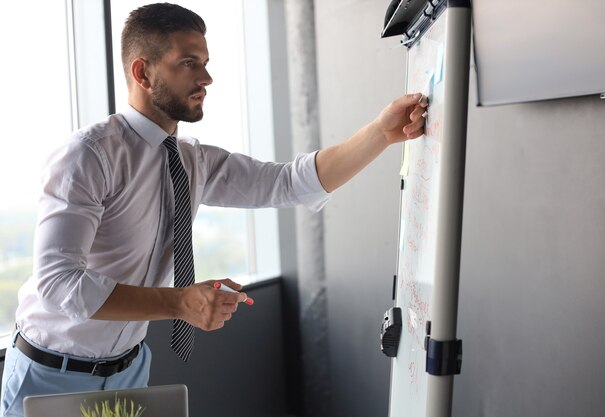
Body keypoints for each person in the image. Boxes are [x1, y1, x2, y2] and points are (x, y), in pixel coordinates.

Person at [0, 3, 428, 417]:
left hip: (129, 370)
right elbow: (59, 283)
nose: (207, 76)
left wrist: (379, 134)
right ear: (142, 72)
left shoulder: (192, 160)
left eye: (205, 61)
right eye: (189, 62)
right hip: (51, 374)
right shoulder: (89, 155)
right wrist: (179, 302)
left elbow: (288, 182)